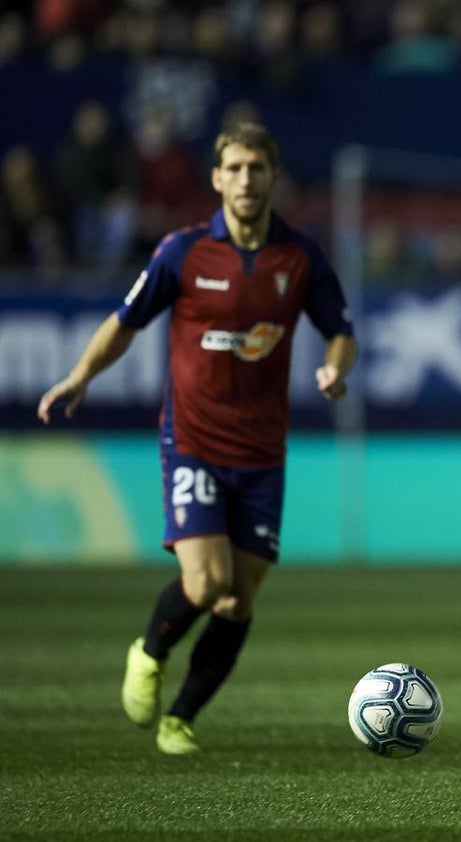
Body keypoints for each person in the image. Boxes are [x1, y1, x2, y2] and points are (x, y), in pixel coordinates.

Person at [36, 123, 357, 755]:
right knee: (206, 583)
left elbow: (339, 329)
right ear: (216, 178)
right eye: (233, 168)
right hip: (194, 440)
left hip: (264, 453)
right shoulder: (183, 252)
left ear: (272, 177)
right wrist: (79, 377)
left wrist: (334, 368)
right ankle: (149, 650)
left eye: (256, 168)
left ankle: (181, 718)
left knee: (238, 600)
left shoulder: (300, 257)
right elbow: (126, 322)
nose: (245, 179)